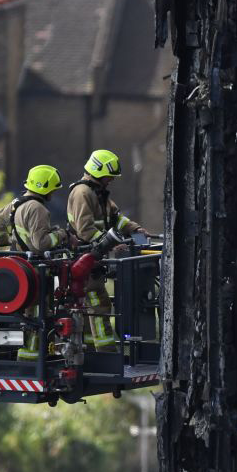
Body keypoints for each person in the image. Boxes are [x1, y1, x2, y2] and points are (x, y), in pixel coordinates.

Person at [66, 149, 146, 352]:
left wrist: (135, 229)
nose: (111, 180)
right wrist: (110, 243)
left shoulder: (97, 193)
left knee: (90, 307)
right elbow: (85, 231)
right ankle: (106, 351)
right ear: (98, 171)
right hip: (85, 260)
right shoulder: (82, 193)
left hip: (94, 260)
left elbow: (117, 218)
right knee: (99, 304)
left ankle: (89, 349)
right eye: (109, 175)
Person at [0, 164, 69, 361]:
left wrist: (4, 242)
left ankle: (26, 355)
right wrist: (61, 234)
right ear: (47, 188)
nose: (54, 192)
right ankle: (32, 358)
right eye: (53, 188)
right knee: (40, 314)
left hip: (18, 271)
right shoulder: (39, 209)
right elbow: (41, 244)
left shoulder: (16, 204)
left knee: (25, 314)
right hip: (35, 273)